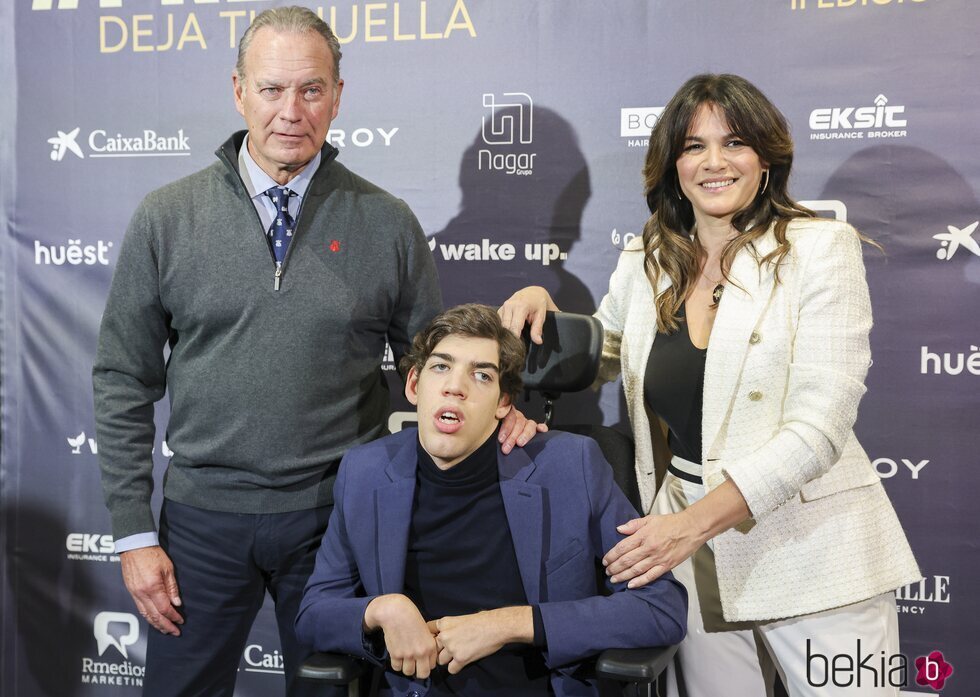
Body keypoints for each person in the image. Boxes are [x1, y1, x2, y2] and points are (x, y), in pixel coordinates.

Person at [91, 8, 538, 696]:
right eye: (272, 89)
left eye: (310, 90)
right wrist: (132, 532)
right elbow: (123, 377)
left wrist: (497, 406)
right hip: (202, 521)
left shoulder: (387, 222)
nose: (290, 111)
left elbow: (435, 363)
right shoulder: (166, 216)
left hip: (337, 520)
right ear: (238, 92)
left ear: (337, 96)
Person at [500, 74, 920, 696]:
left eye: (735, 143)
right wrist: (546, 313)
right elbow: (608, 348)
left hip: (810, 547)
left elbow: (819, 429)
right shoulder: (653, 256)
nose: (714, 162)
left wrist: (694, 524)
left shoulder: (820, 249)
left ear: (767, 158)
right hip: (684, 544)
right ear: (673, 164)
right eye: (694, 146)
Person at [295, 304, 688, 697]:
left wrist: (511, 624)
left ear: (504, 402)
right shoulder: (364, 472)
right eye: (440, 367)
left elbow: (660, 607)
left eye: (481, 375)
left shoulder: (571, 467)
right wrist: (380, 610)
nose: (455, 386)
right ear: (414, 385)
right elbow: (314, 612)